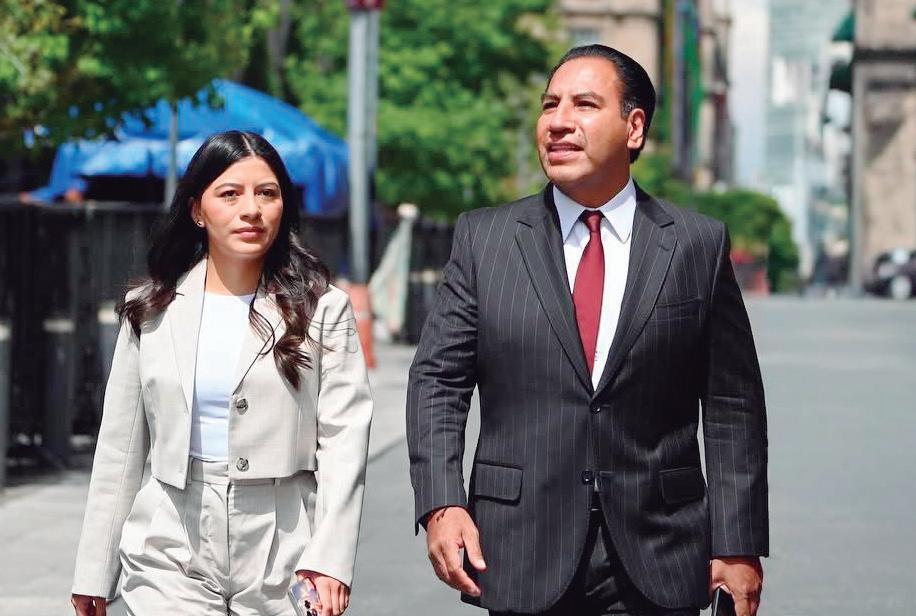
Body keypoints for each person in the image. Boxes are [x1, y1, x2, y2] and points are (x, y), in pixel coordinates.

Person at [407, 45, 768, 616]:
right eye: (549, 104)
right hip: (518, 548)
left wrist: (737, 542)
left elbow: (732, 405)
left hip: (659, 549)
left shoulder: (695, 245)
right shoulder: (486, 240)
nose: (558, 121)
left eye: (584, 104)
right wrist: (441, 503)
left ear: (634, 127)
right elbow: (438, 382)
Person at [71, 130, 372, 616]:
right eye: (230, 194)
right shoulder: (151, 309)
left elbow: (344, 441)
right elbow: (120, 448)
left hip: (284, 541)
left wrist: (330, 559)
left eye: (267, 193)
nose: (251, 209)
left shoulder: (323, 309)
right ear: (197, 210)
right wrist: (94, 570)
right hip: (170, 540)